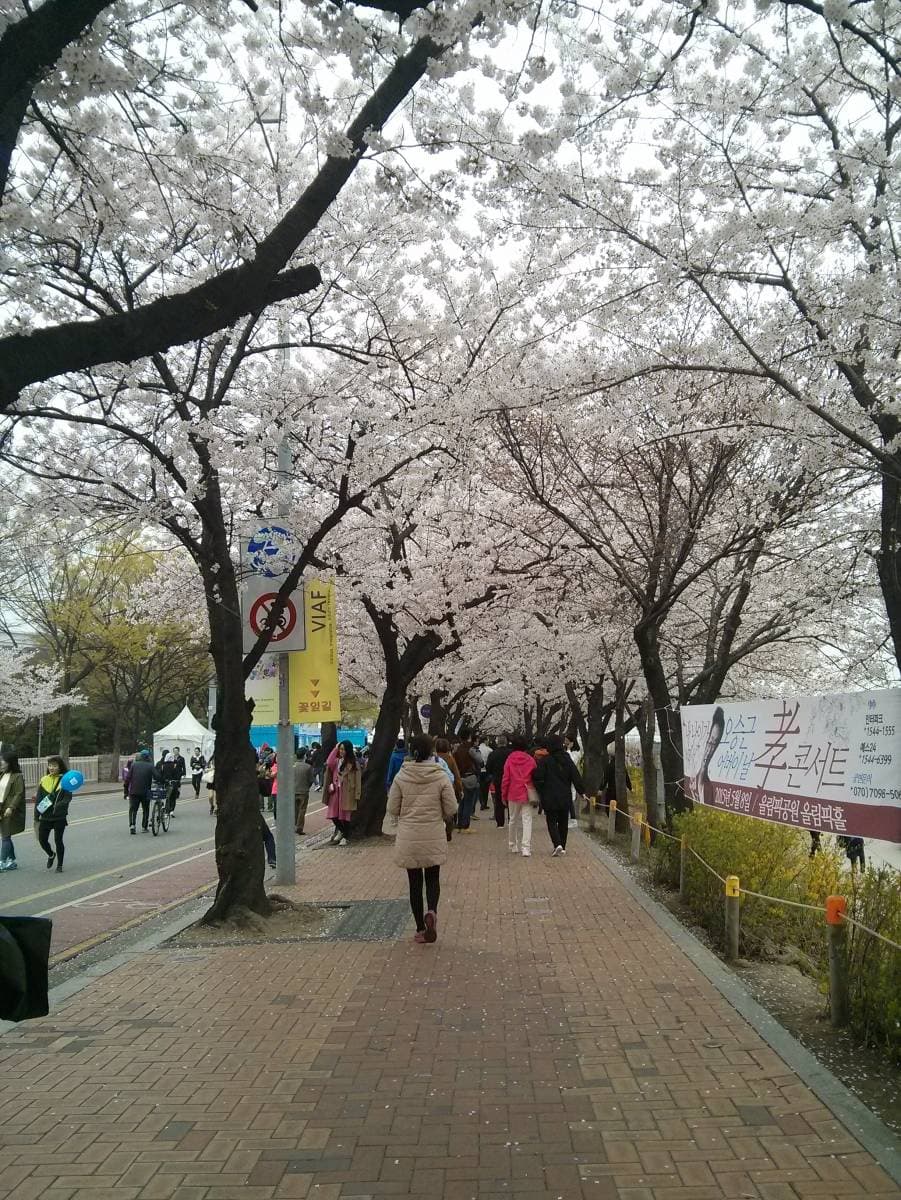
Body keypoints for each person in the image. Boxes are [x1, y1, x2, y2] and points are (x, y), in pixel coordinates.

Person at [387, 734, 457, 944]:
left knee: (414, 882)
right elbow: (451, 808)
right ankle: (432, 911)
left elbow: (392, 808)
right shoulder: (440, 776)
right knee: (433, 877)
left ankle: (419, 928)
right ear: (431, 752)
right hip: (433, 832)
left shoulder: (401, 776)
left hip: (409, 835)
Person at [533, 735, 588, 857]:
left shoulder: (545, 761)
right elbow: (575, 775)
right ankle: (562, 845)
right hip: (565, 795)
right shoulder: (567, 759)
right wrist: (582, 791)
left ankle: (557, 844)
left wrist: (541, 790)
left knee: (551, 821)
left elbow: (537, 777)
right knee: (563, 821)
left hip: (549, 795)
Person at [34, 756, 73, 872]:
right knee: (42, 840)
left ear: (60, 767)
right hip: (45, 816)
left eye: (54, 766)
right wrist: (36, 816)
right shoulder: (44, 780)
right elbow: (38, 799)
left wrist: (59, 805)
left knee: (58, 840)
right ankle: (51, 854)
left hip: (59, 816)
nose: (51, 768)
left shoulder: (65, 781)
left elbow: (67, 798)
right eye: (50, 765)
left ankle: (59, 865)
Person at [502, 735, 537, 857]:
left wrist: (503, 795)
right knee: (527, 820)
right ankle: (526, 848)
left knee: (513, 819)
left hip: (513, 793)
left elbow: (506, 779)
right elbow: (535, 776)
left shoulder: (509, 759)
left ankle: (513, 845)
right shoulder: (530, 760)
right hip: (527, 793)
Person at [323, 740, 360, 845]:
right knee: (333, 815)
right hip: (335, 791)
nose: (341, 751)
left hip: (347, 792)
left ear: (348, 750)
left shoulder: (354, 763)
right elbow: (329, 762)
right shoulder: (336, 761)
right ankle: (343, 832)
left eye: (343, 749)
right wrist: (335, 748)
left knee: (345, 816)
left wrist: (357, 794)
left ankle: (345, 836)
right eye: (340, 749)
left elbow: (358, 780)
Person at [0, 750, 26, 871]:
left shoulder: (17, 776)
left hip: (9, 809)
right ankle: (12, 860)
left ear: (10, 762)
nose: (1, 762)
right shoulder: (2, 774)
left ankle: (2, 862)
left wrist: (11, 807)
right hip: (1, 808)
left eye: (3, 760)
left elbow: (18, 793)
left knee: (5, 835)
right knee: (6, 835)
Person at [452, 731, 482, 831]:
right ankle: (465, 825)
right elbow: (480, 761)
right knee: (468, 802)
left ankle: (459, 823)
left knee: (462, 801)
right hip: (470, 776)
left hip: (460, 777)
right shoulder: (471, 749)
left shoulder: (457, 750)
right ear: (469, 737)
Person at [435, 737, 462, 842]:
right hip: (449, 787)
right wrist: (460, 789)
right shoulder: (450, 759)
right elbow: (456, 775)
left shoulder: (433, 758)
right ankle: (448, 830)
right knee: (449, 810)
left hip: (436, 787)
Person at [486, 735, 512, 828]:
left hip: (498, 779)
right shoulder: (511, 753)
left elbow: (488, 767)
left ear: (497, 743)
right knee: (510, 800)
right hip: (510, 779)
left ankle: (500, 823)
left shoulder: (493, 754)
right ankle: (511, 820)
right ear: (506, 742)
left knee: (499, 800)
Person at [128, 748, 155, 833]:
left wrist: (126, 790)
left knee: (133, 809)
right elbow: (157, 776)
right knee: (146, 809)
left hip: (134, 791)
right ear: (148, 757)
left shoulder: (134, 765)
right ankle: (144, 827)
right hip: (145, 791)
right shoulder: (150, 766)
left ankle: (132, 825)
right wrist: (162, 780)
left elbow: (128, 778)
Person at [294, 748, 314, 834]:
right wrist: (307, 786)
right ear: (304, 756)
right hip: (304, 791)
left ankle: (294, 825)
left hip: (293, 791)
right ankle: (299, 827)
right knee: (302, 810)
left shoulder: (292, 766)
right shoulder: (308, 767)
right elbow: (311, 780)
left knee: (295, 810)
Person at [564, 736, 581, 828]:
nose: (565, 742)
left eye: (567, 741)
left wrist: (568, 750)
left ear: (572, 742)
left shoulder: (576, 752)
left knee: (571, 798)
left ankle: (573, 819)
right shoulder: (567, 751)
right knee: (568, 798)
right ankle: (568, 819)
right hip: (566, 778)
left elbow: (571, 761)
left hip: (572, 778)